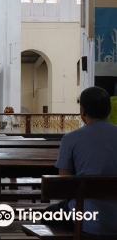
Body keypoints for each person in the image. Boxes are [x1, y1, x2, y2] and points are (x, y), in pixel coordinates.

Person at [43, 86, 117, 234]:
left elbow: (64, 184)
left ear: (82, 110)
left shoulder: (71, 139)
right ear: (109, 110)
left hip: (86, 218)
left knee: (47, 214)